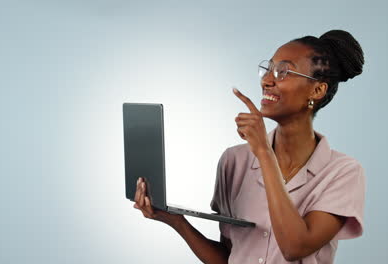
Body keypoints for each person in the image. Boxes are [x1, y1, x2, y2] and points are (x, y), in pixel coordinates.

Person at [133, 29, 366, 264]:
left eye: (283, 71)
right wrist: (177, 221)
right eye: (268, 69)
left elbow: (295, 246)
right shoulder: (234, 161)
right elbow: (229, 257)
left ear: (317, 90)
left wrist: (264, 152)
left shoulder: (342, 172)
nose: (266, 80)